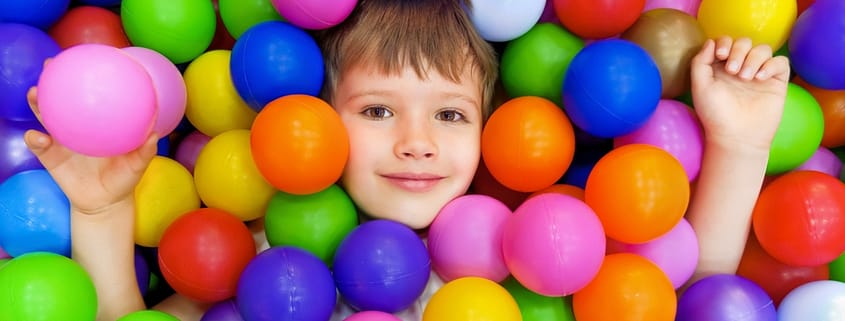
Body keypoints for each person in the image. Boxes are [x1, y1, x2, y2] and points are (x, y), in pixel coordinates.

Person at [22, 0, 789, 320]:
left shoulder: (533, 251)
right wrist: (100, 210)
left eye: (450, 115)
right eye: (378, 110)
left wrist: (740, 143)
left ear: (494, 130)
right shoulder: (260, 254)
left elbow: (685, 284)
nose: (415, 141)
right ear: (316, 122)